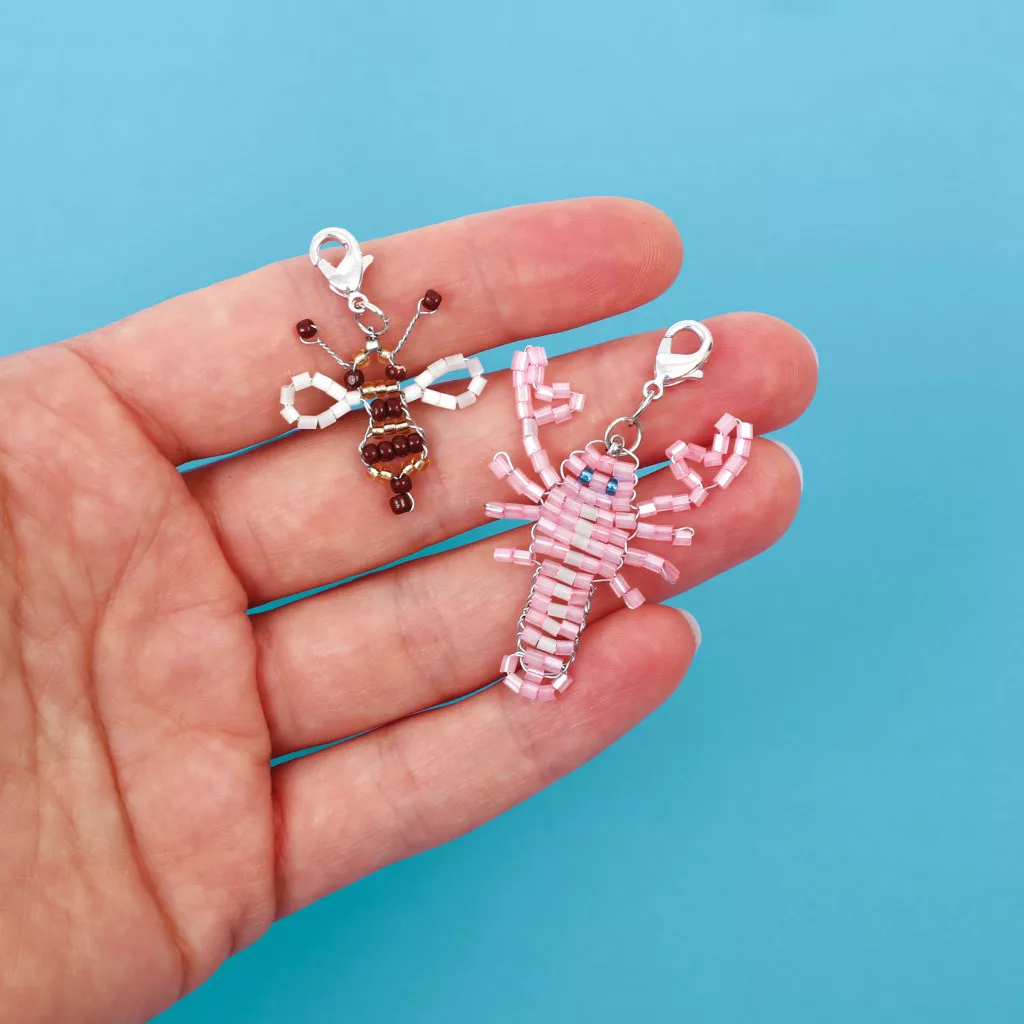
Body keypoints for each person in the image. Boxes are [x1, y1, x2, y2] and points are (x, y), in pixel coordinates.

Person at [0, 198, 816, 1023]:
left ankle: (542, 657)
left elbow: (560, 480)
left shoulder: (553, 477)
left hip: (555, 583)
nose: (609, 464)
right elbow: (627, 506)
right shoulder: (567, 478)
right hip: (531, 553)